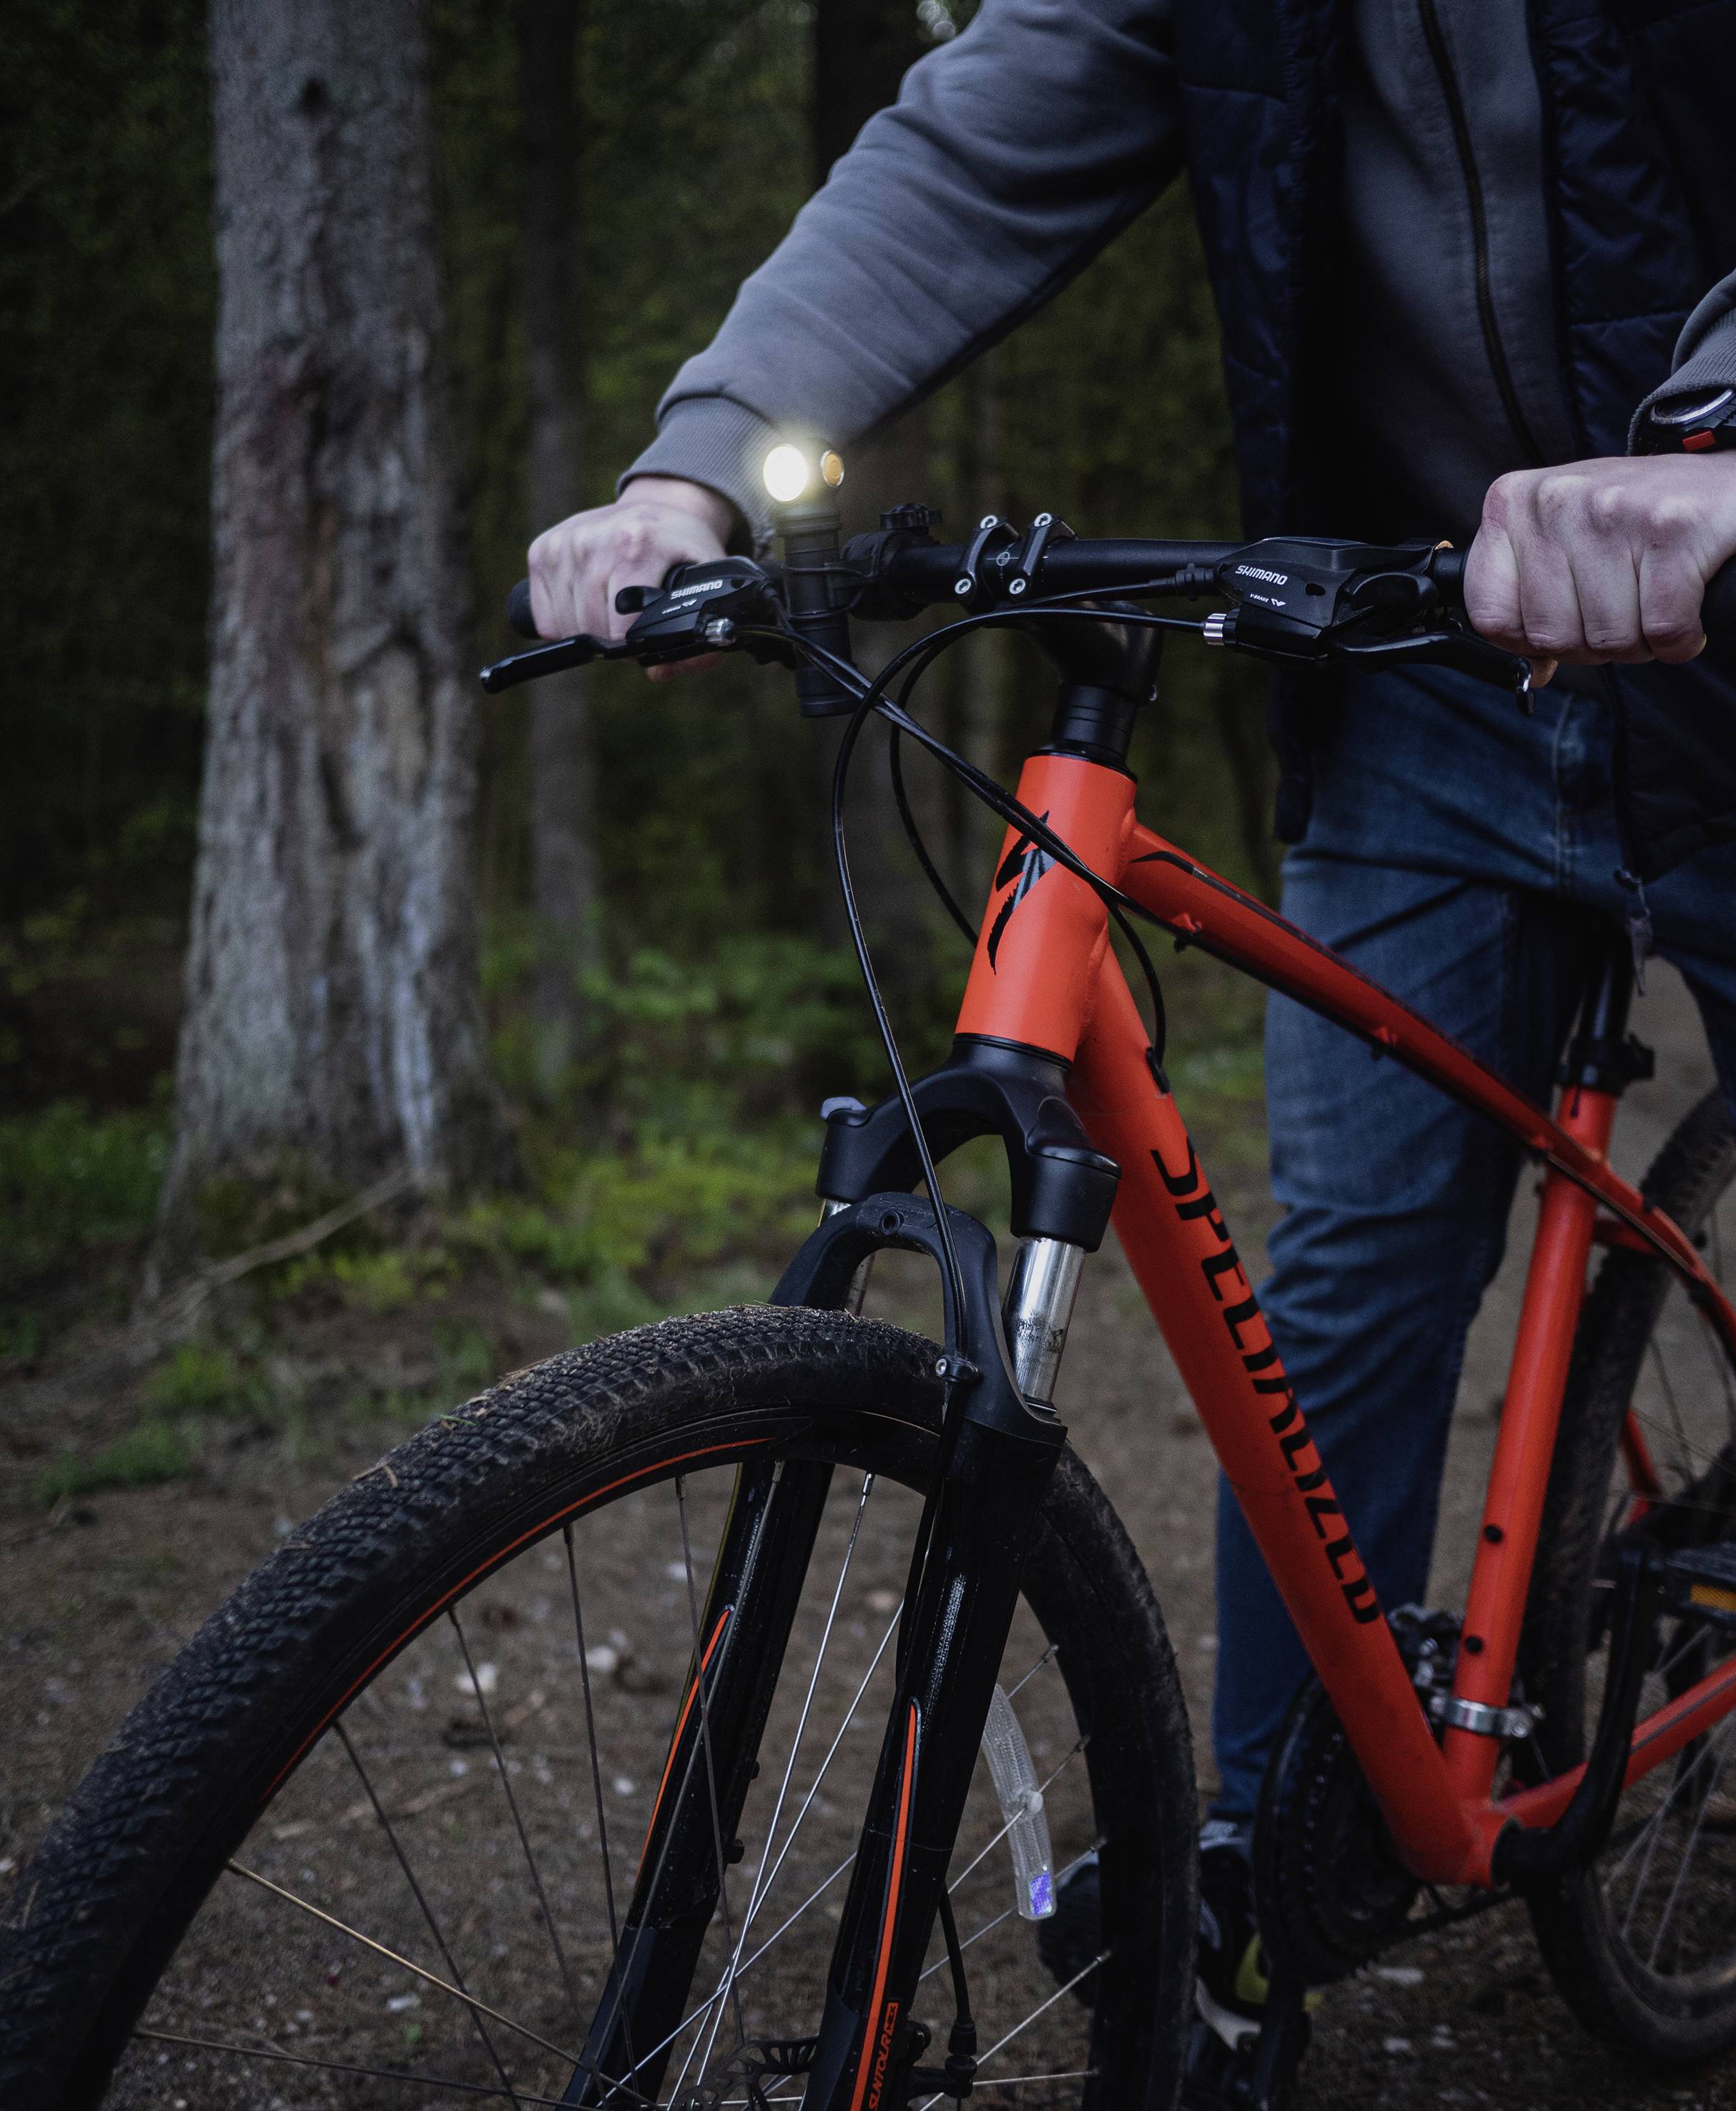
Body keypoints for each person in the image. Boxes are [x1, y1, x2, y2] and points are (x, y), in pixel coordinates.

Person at [526, 0, 1736, 2075]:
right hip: (1425, 659)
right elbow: (974, 138)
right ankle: (1255, 1879)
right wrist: (702, 460)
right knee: (1345, 1269)